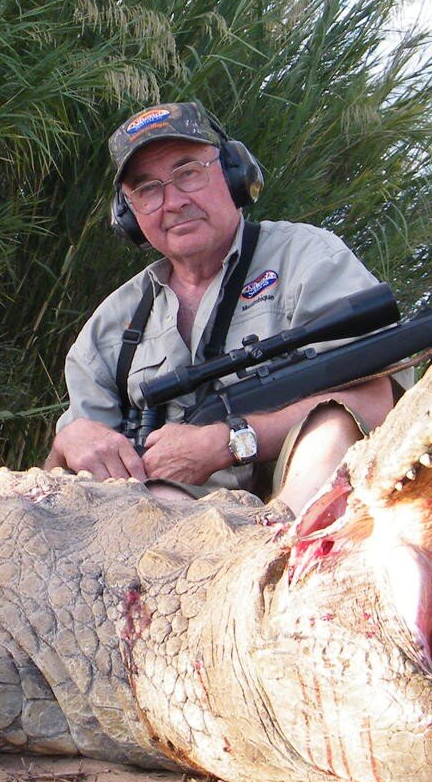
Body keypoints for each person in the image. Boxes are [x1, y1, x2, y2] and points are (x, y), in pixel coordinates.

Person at [45, 101, 396, 516]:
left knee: (333, 423)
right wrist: (70, 441)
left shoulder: (308, 258)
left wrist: (230, 441)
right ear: (127, 213)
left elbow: (377, 403)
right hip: (168, 522)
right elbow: (59, 483)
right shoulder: (111, 324)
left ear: (233, 173)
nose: (172, 201)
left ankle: (277, 550)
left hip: (301, 505)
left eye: (187, 173)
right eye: (147, 189)